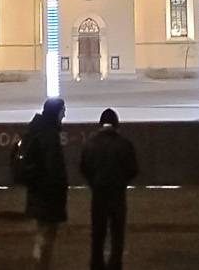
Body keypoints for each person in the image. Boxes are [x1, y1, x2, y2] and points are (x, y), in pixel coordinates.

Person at [78, 108, 139, 270]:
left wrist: (93, 181)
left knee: (98, 233)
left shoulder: (91, 143)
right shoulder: (125, 144)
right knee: (117, 235)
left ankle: (96, 265)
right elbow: (133, 169)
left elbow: (83, 167)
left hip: (98, 194)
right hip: (118, 194)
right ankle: (115, 265)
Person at [17, 96, 69, 263]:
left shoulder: (37, 131)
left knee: (43, 234)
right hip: (47, 197)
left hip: (38, 194)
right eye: (62, 111)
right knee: (46, 236)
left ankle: (40, 263)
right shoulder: (49, 136)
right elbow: (54, 169)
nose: (64, 115)